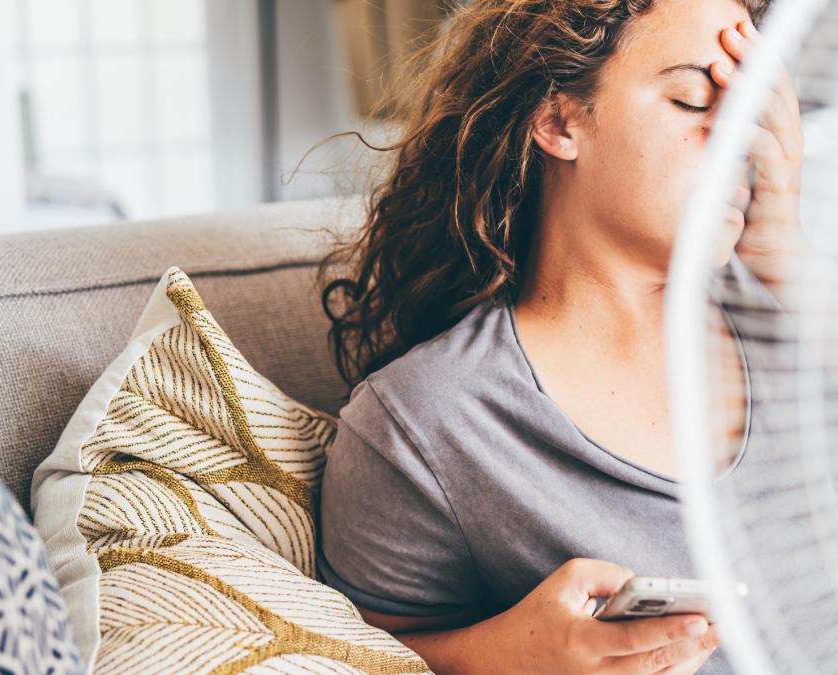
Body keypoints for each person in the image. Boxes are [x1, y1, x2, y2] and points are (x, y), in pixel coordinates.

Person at [315, 0, 803, 671]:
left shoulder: (804, 329)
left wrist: (787, 258)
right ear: (557, 118)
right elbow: (345, 654)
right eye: (693, 99)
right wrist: (501, 655)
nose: (739, 140)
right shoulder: (428, 422)